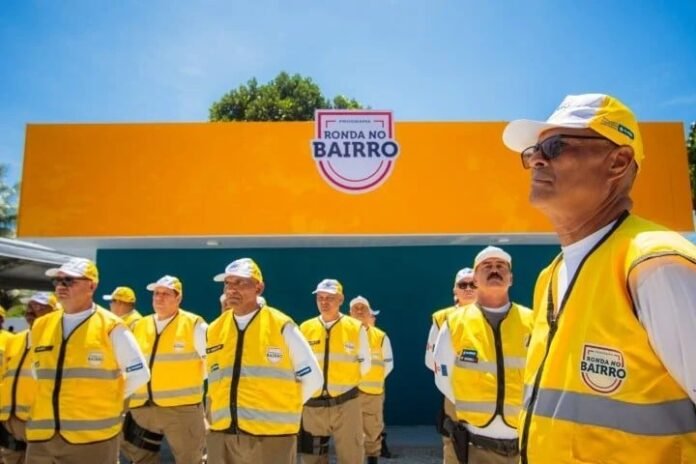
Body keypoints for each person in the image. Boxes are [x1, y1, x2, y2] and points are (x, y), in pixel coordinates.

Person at [502, 93, 696, 463]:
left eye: (555, 146)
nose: (537, 159)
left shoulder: (658, 263)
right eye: (533, 151)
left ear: (617, 162)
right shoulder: (550, 276)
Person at [25, 258, 150, 463]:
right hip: (42, 438)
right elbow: (36, 371)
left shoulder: (111, 326)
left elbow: (140, 374)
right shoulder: (40, 326)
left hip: (92, 439)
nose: (61, 286)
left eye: (69, 281)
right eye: (58, 280)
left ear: (91, 286)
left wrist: (109, 401)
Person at [206, 258, 322, 463]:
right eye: (228, 283)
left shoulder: (281, 325)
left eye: (240, 283)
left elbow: (313, 379)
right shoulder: (214, 329)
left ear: (258, 288)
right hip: (222, 436)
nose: (232, 289)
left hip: (272, 438)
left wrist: (284, 408)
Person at [433, 247, 532, 463]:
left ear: (511, 278)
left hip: (523, 443)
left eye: (501, 266)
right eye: (487, 266)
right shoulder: (455, 323)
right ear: (476, 279)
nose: (494, 270)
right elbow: (443, 377)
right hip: (475, 444)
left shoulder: (532, 322)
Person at [120, 275, 207, 464]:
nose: (159, 298)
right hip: (143, 408)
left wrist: (188, 381)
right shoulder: (139, 325)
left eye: (166, 294)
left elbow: (210, 362)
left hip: (181, 410)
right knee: (141, 459)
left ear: (178, 298)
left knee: (190, 460)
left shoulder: (194, 324)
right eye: (156, 294)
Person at [299, 279, 371, 464]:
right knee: (311, 458)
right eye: (320, 298)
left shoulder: (355, 327)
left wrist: (344, 382)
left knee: (351, 456)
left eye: (329, 298)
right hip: (313, 406)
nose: (324, 302)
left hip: (345, 404)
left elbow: (365, 365)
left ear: (340, 299)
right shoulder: (305, 328)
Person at [425, 267, 477, 463]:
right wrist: (452, 388)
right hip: (454, 394)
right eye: (463, 285)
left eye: (473, 284)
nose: (468, 288)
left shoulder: (493, 314)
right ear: (455, 290)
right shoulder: (442, 318)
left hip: (490, 393)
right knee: (455, 444)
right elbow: (431, 360)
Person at [0, 293, 58, 464]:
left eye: (39, 307)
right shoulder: (15, 339)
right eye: (30, 306)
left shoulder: (58, 341)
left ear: (53, 313)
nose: (31, 311)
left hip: (39, 423)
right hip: (9, 422)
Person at [349, 296, 394, 464]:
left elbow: (388, 365)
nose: (360, 311)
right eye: (356, 308)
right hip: (348, 393)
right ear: (349, 313)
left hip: (372, 394)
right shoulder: (343, 333)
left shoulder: (380, 337)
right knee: (350, 434)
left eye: (363, 308)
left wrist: (374, 379)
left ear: (369, 313)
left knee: (372, 432)